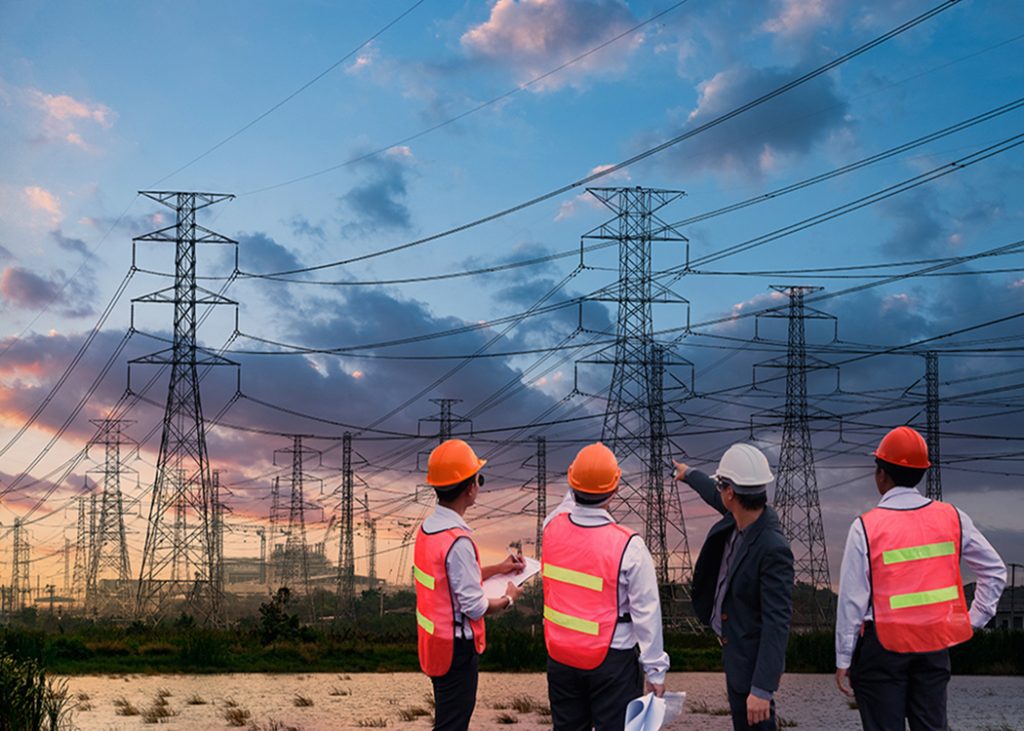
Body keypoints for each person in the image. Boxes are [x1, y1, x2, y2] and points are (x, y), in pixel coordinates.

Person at [834, 426, 1006, 731]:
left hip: (881, 648)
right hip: (933, 644)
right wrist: (972, 620)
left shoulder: (865, 527)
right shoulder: (952, 517)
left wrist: (843, 659)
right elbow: (994, 571)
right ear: (921, 474)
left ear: (881, 475)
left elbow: (851, 602)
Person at [541, 442, 669, 731]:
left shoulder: (551, 528)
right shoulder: (629, 546)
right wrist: (656, 673)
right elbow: (647, 614)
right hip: (612, 663)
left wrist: (579, 476)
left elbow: (566, 504)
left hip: (561, 657)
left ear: (571, 484)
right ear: (615, 489)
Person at [673, 444, 793, 731]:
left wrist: (762, 689)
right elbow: (712, 493)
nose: (720, 492)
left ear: (731, 494)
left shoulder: (773, 548)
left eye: (722, 485)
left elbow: (778, 622)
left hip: (751, 663)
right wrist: (688, 473)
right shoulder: (740, 516)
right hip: (735, 649)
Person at [414, 438, 525, 731]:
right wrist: (509, 598)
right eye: (478, 477)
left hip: (434, 644)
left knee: (447, 720)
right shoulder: (458, 542)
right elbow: (473, 606)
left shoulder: (427, 531)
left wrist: (500, 569)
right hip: (457, 651)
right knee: (453, 725)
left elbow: (451, 581)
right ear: (470, 488)